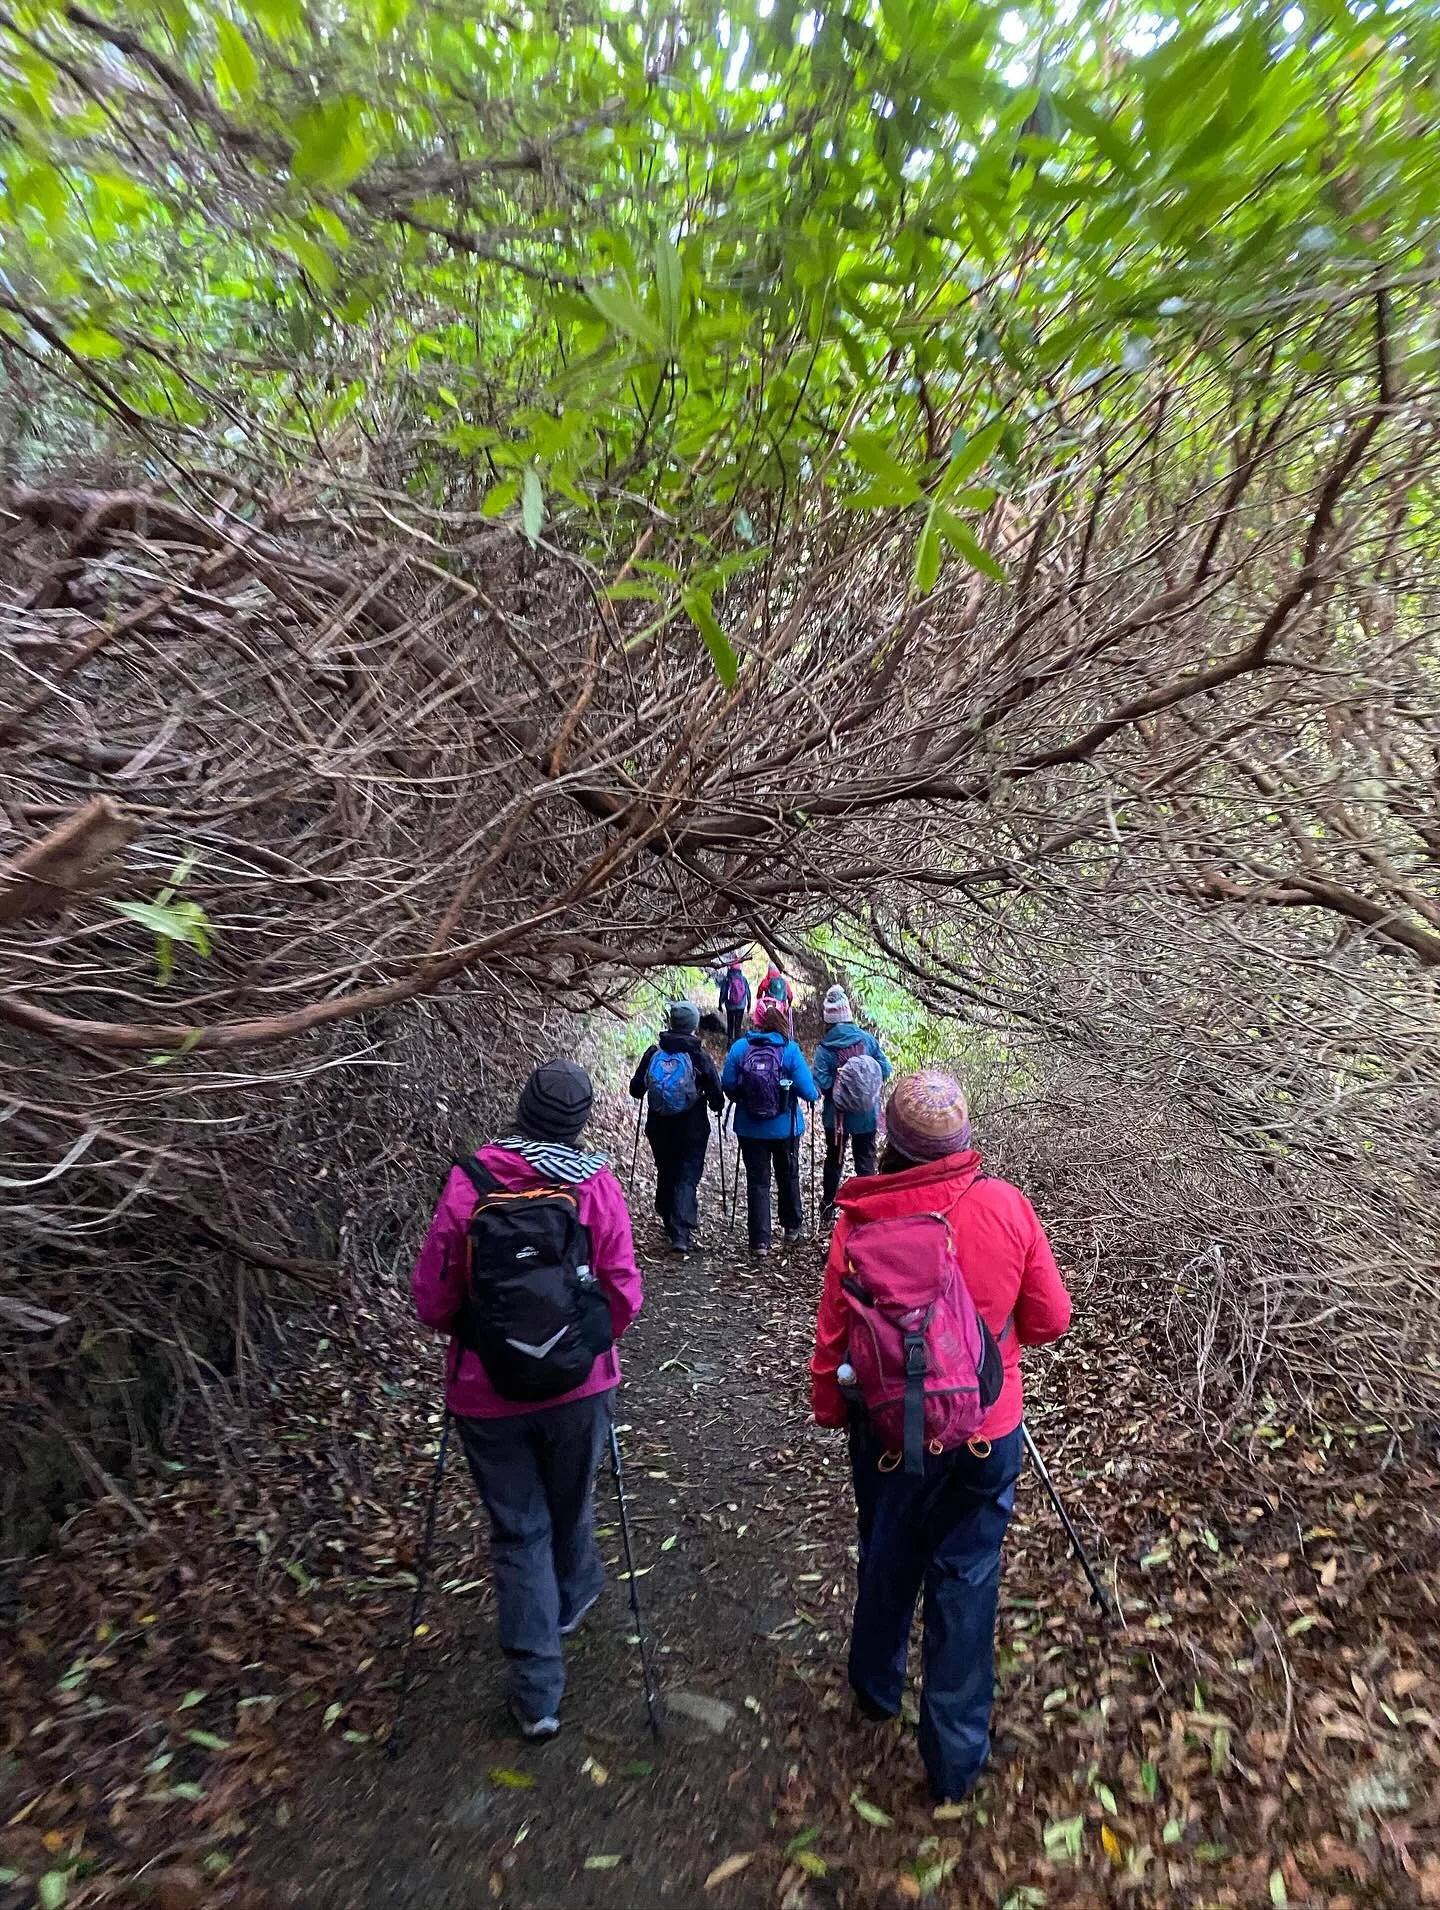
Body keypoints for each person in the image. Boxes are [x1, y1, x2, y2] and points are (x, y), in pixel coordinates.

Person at [809, 1070, 1071, 1804]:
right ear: (963, 1139)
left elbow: (834, 1338)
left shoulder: (859, 1222)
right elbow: (1052, 1319)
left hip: (889, 1433)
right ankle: (954, 1761)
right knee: (966, 1576)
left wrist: (833, 1410)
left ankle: (875, 1689)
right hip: (987, 1433)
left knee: (887, 1551)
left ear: (890, 1142)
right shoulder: (1004, 1206)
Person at [411, 1060, 643, 1742]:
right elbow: (624, 1294)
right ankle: (570, 1599)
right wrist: (582, 1345)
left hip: (486, 1392)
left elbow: (432, 1298)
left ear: (520, 1110)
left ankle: (538, 1693)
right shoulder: (593, 1184)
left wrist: (488, 1336)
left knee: (520, 1530)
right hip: (580, 1388)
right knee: (569, 1503)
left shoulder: (470, 1181)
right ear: (581, 1121)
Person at [721, 997, 818, 1253]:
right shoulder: (790, 1050)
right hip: (785, 1128)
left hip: (750, 1128)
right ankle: (792, 1228)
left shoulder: (740, 1048)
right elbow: (810, 1092)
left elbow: (727, 1084)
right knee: (788, 1175)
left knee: (758, 1181)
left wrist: (745, 1094)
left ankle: (760, 1241)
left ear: (755, 1020)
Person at [628, 1000, 725, 1254]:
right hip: (692, 1128)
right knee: (688, 1175)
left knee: (666, 1170)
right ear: (693, 1026)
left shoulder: (653, 1053)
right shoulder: (699, 1056)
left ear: (671, 1023)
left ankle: (667, 1217)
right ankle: (680, 1231)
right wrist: (713, 1102)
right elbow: (717, 1098)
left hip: (659, 1126)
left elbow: (635, 1089)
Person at [811, 986, 892, 1220]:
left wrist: (839, 1084)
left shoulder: (825, 1048)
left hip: (836, 1119)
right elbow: (885, 1069)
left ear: (828, 1018)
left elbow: (822, 1082)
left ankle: (827, 1208)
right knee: (865, 1160)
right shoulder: (866, 1040)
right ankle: (867, 1209)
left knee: (834, 1159)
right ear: (848, 1014)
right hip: (867, 1114)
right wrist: (867, 1084)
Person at [717, 953, 752, 1044]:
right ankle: (737, 1042)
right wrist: (749, 1005)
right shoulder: (743, 979)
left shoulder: (727, 979)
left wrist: (720, 1004)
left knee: (730, 1023)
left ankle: (729, 1042)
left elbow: (723, 992)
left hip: (730, 1005)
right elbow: (748, 992)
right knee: (738, 1025)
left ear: (730, 968)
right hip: (741, 1005)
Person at [757, 960, 794, 1034]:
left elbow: (759, 993)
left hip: (769, 1007)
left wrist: (760, 1000)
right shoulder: (784, 982)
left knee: (768, 1024)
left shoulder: (766, 981)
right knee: (780, 1025)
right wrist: (789, 1004)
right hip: (781, 1008)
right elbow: (790, 995)